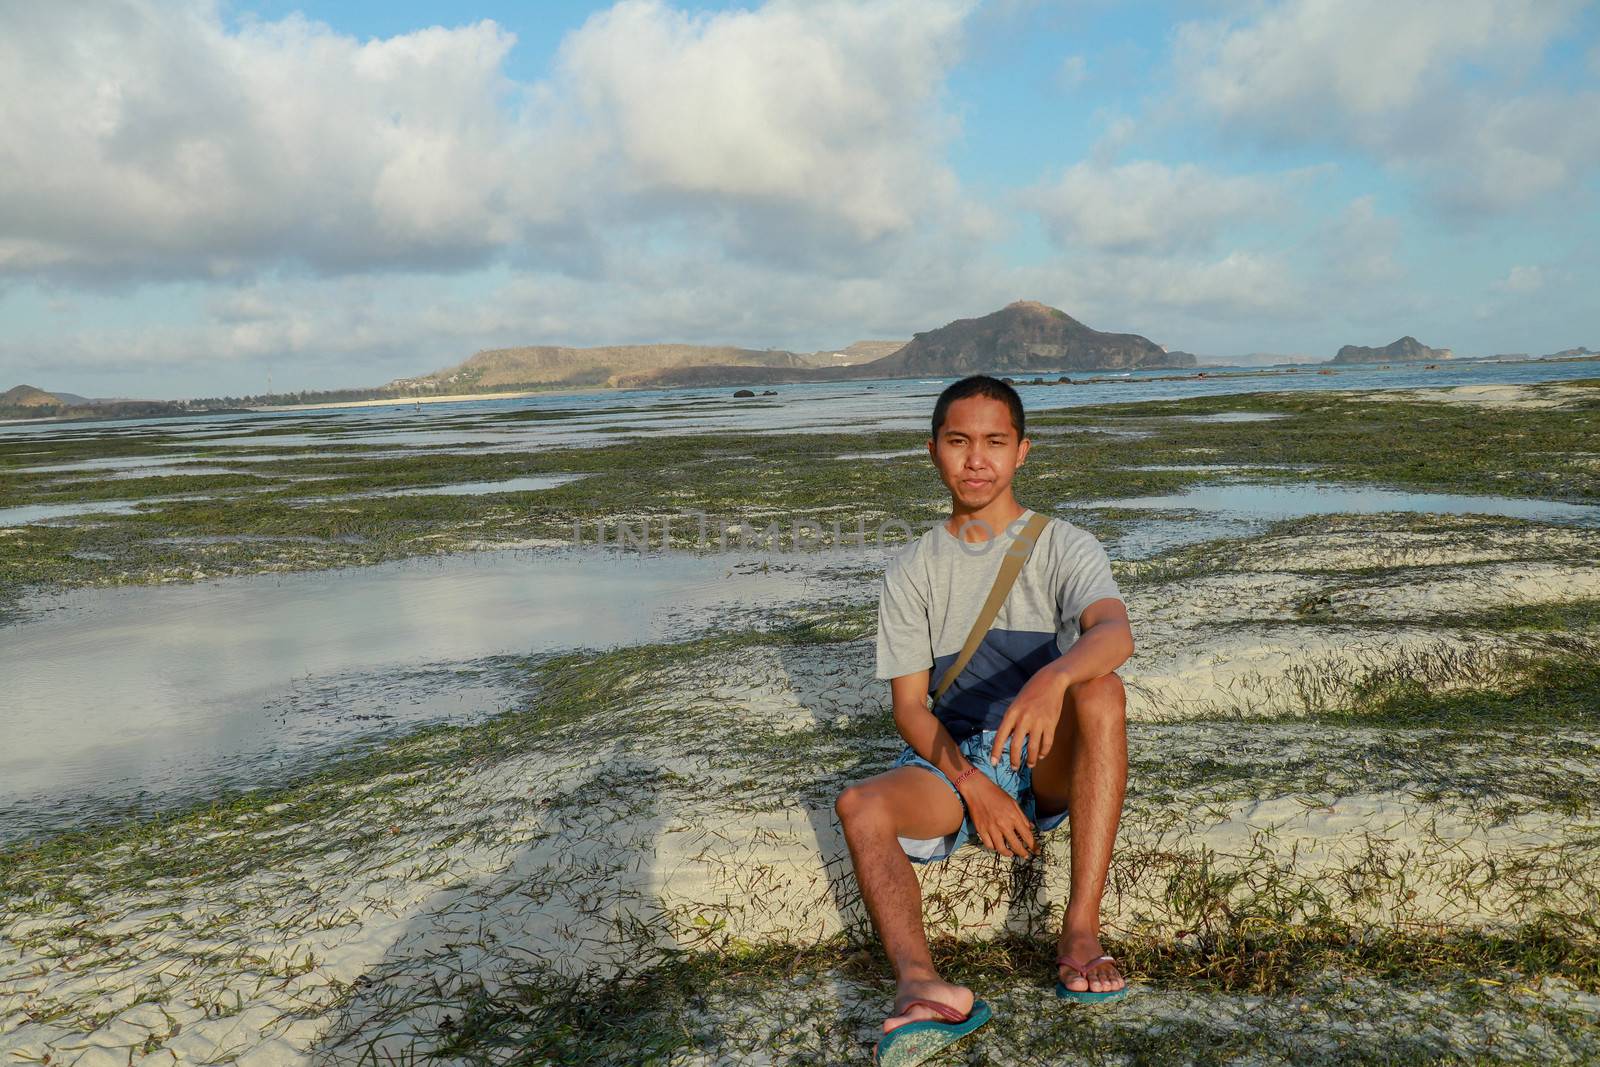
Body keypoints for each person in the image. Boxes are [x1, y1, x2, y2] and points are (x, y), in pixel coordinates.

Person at [834, 374, 1135, 1059]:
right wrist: (973, 782)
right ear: (933, 450)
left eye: (995, 442)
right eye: (959, 441)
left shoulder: (1064, 544)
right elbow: (910, 709)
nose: (977, 459)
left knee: (1102, 690)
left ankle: (1080, 929)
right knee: (859, 804)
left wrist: (1054, 676)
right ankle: (922, 986)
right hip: (957, 759)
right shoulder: (912, 569)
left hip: (1046, 751)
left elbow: (1115, 633)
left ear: (1022, 451)